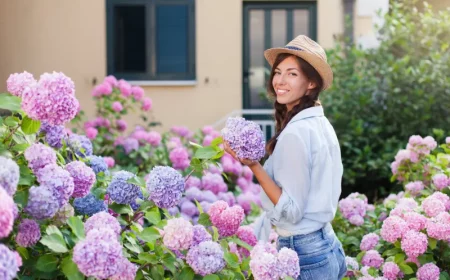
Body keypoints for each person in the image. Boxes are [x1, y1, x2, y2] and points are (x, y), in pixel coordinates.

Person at [224, 35, 347, 279]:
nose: (280, 80)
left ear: (311, 82)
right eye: (278, 72)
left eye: (292, 74)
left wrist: (254, 165)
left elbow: (291, 211)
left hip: (305, 256)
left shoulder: (296, 133)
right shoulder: (321, 124)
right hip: (329, 247)